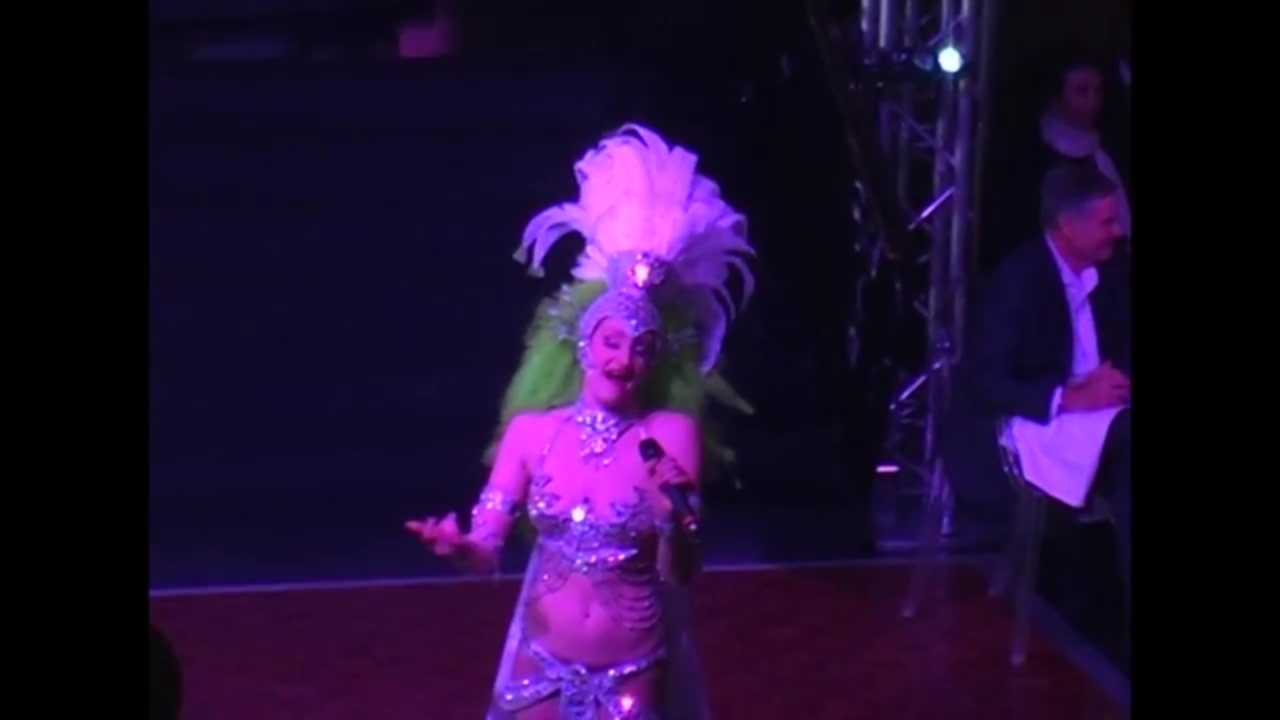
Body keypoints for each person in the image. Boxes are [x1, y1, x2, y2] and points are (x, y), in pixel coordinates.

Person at [405, 124, 756, 719]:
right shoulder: (532, 433)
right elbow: (487, 549)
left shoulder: (669, 436)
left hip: (633, 668)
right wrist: (461, 546)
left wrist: (673, 521)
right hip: (540, 662)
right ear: (584, 346)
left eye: (642, 348)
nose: (624, 358)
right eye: (612, 341)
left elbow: (680, 572)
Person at [964, 162, 1131, 619]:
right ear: (1067, 226)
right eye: (1107, 222)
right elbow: (986, 379)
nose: (1118, 232)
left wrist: (1118, 380)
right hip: (1035, 422)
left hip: (1105, 414)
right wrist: (1069, 397)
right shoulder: (1017, 280)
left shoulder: (1114, 272)